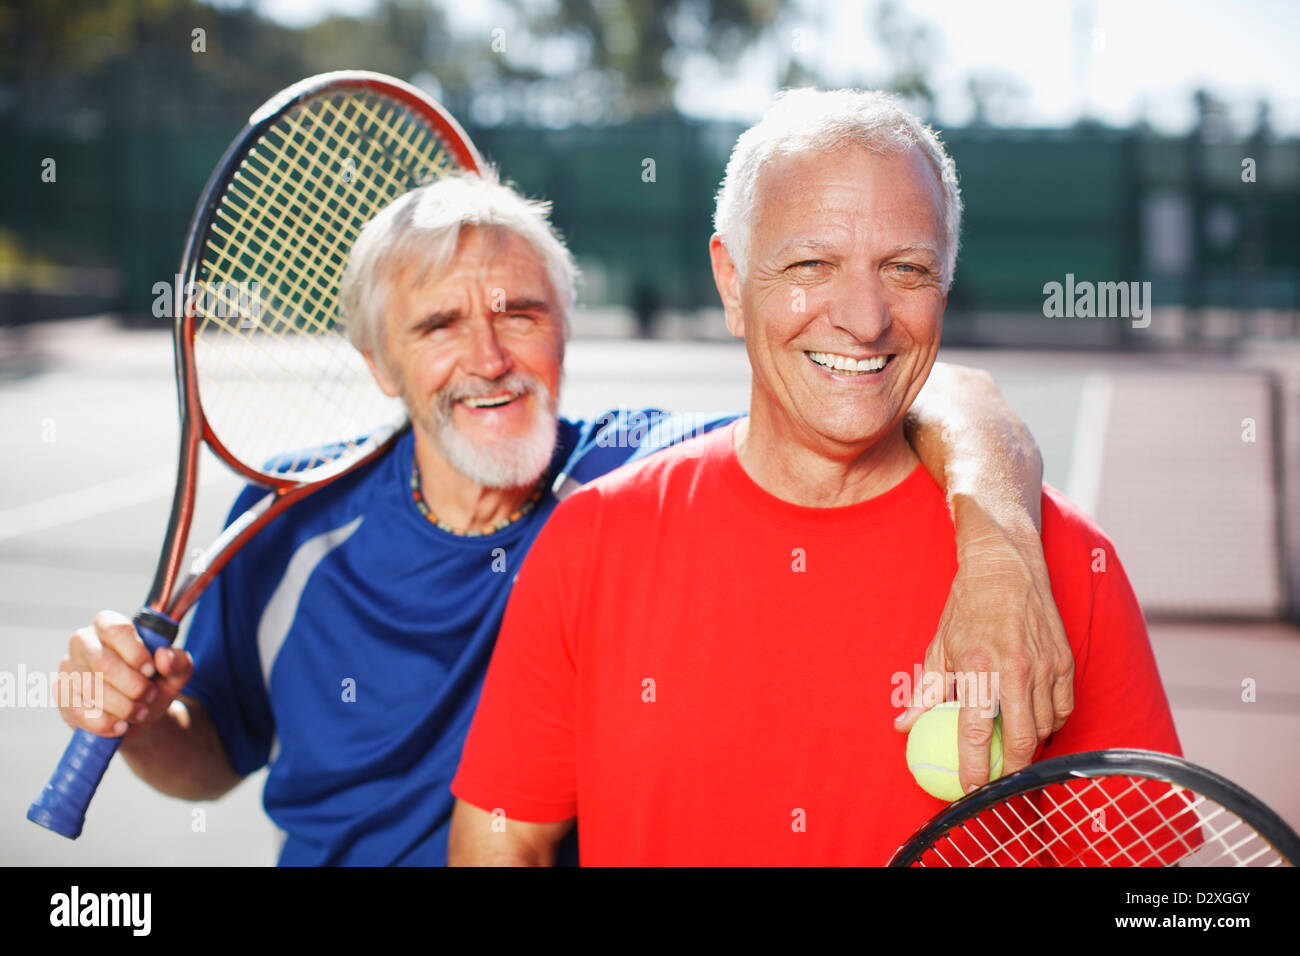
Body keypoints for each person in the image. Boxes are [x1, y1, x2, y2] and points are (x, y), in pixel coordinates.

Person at [60, 165, 1068, 866]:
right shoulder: (288, 521)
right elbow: (214, 754)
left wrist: (995, 556)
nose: (490, 355)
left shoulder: (637, 474)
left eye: (521, 313)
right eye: (441, 323)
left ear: (565, 331)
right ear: (379, 361)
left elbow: (931, 394)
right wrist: (144, 720)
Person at [447, 89, 1181, 866]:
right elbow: (504, 838)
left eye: (905, 268)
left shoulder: (1058, 561)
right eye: (810, 264)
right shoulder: (592, 540)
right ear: (731, 282)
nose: (864, 318)